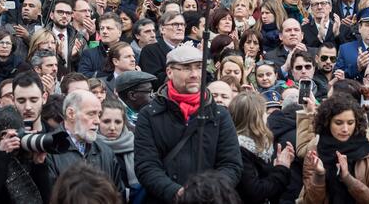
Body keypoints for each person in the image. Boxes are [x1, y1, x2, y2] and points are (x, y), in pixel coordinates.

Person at [134, 43, 243, 203]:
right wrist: (176, 192)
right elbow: (146, 165)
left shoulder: (219, 114)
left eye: (199, 67)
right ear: (169, 72)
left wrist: (208, 192)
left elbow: (231, 164)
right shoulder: (150, 114)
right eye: (186, 68)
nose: (194, 74)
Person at [297, 93, 369, 203]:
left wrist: (348, 178)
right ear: (327, 123)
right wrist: (319, 175)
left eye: (350, 123)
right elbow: (311, 201)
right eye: (338, 123)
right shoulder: (315, 152)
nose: (345, 129)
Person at [47, 90, 124, 191]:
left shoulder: (106, 152)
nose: (97, 121)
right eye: (91, 114)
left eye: (99, 114)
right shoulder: (48, 150)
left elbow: (118, 194)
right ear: (71, 114)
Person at [0, 105, 52, 204]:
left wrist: (39, 164)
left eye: (15, 134)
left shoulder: (27, 158)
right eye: (4, 135)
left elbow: (47, 198)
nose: (10, 139)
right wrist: (1, 155)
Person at [229, 91, 293, 204]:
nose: (267, 116)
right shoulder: (239, 149)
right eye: (264, 112)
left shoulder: (262, 144)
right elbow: (255, 192)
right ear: (256, 118)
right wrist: (281, 169)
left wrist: (276, 165)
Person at [99, 98, 142, 202]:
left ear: (124, 123)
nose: (112, 127)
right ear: (97, 121)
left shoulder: (137, 145)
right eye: (106, 121)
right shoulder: (90, 148)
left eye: (118, 122)